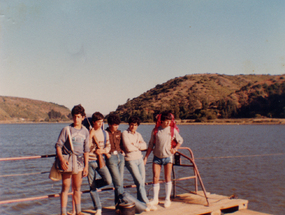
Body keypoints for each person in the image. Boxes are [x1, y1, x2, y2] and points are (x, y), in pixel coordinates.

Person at [143, 111, 183, 208]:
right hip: (157, 157)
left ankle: (167, 199)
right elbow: (151, 144)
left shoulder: (172, 130)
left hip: (168, 157)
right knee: (155, 177)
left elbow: (180, 140)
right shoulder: (156, 130)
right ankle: (155, 199)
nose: (168, 123)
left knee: (167, 178)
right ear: (161, 121)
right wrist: (146, 157)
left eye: (169, 121)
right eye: (166, 121)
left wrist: (175, 149)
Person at [55, 104, 89, 215]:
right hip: (67, 162)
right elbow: (58, 146)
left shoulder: (85, 131)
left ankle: (78, 211)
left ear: (83, 117)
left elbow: (86, 150)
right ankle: (63, 212)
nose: (76, 119)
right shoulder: (66, 129)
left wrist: (86, 166)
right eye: (74, 117)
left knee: (77, 188)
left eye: (79, 117)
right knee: (65, 187)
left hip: (79, 163)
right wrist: (61, 159)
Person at [122, 116, 157, 211]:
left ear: (137, 126)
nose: (133, 127)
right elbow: (128, 148)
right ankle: (147, 203)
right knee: (139, 181)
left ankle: (140, 205)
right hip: (130, 159)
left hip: (140, 159)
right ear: (129, 124)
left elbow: (144, 145)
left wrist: (135, 145)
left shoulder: (138, 134)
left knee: (142, 181)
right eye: (132, 125)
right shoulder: (125, 133)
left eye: (135, 125)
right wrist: (138, 146)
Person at [88, 112, 112, 215]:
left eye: (102, 122)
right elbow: (85, 148)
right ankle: (98, 208)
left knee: (108, 180)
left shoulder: (105, 133)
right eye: (98, 122)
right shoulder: (88, 132)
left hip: (100, 160)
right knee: (92, 187)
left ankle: (94, 185)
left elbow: (108, 146)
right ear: (93, 122)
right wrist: (90, 136)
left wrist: (102, 151)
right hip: (89, 161)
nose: (101, 124)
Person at [105, 114, 125, 210]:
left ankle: (118, 206)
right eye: (114, 124)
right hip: (111, 157)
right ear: (109, 124)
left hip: (120, 157)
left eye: (117, 124)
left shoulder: (119, 133)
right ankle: (122, 203)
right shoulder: (104, 133)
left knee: (120, 181)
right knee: (118, 183)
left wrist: (123, 151)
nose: (116, 126)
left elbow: (121, 144)